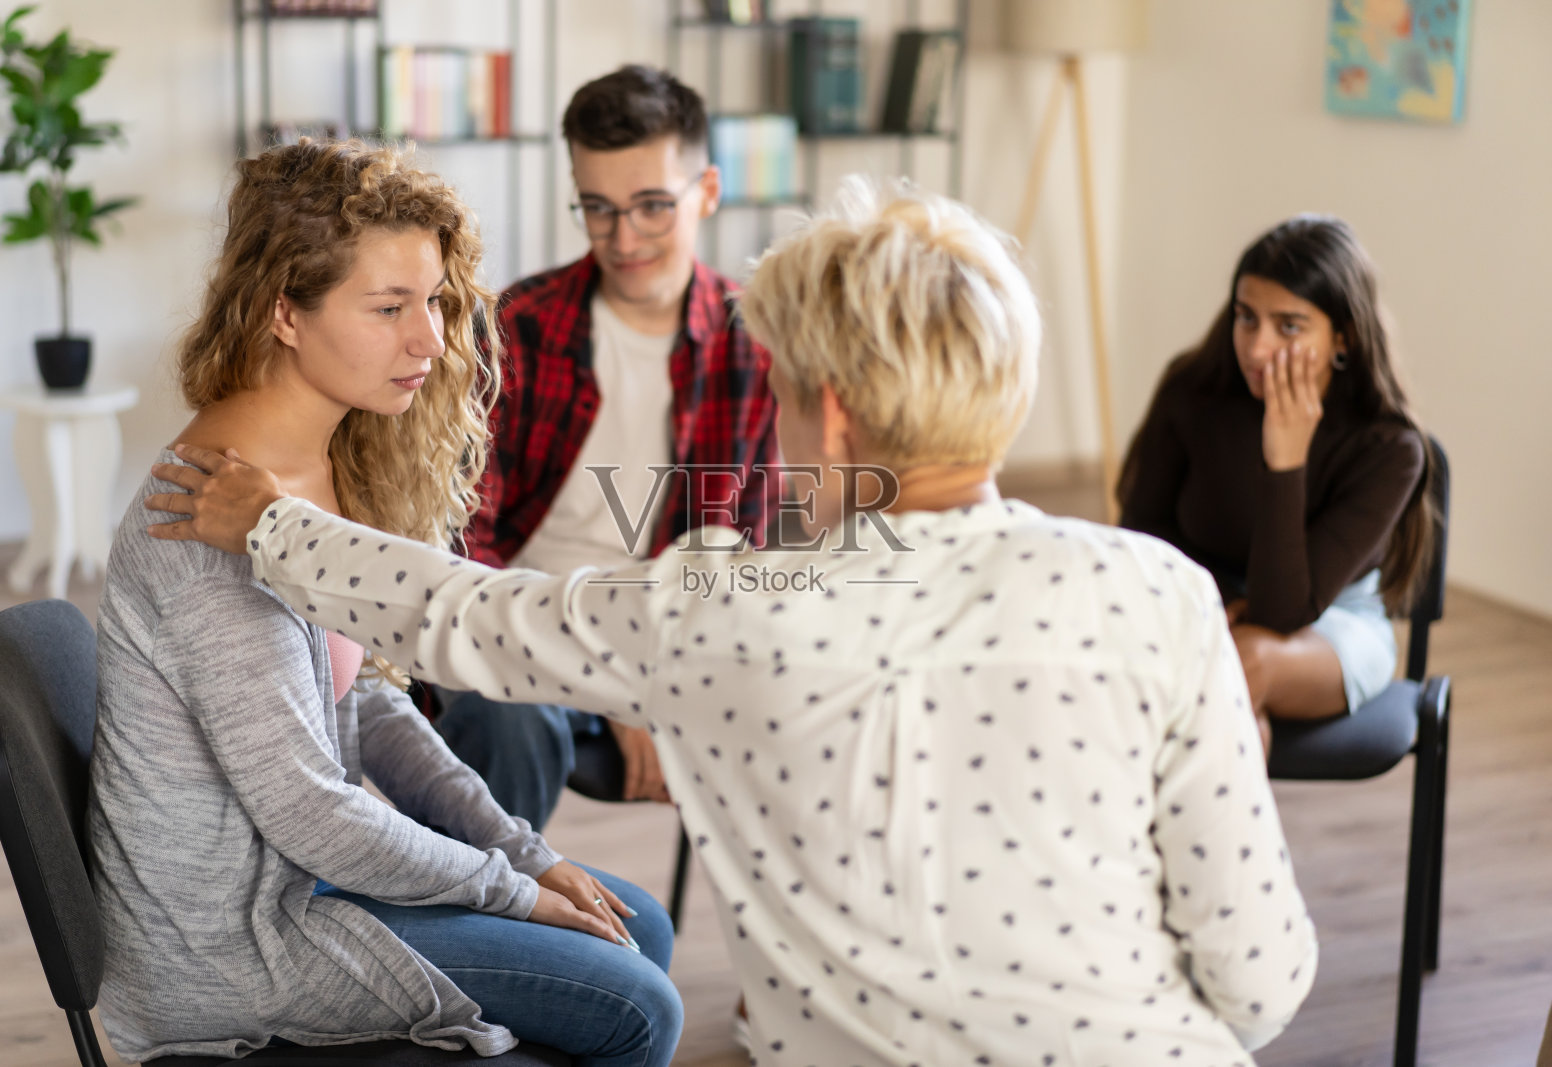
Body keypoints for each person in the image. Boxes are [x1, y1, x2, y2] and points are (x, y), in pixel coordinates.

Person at [147, 178, 1319, 1066]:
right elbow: (1265, 982)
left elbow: (465, 617)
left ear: (835, 413)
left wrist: (268, 524)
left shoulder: (720, 607)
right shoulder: (1157, 589)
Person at [88, 139, 681, 1066]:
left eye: (436, 300)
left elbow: (363, 694)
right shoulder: (207, 525)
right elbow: (315, 814)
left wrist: (519, 848)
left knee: (638, 923)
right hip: (242, 942)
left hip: (305, 881)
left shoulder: (312, 474)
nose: (432, 341)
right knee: (639, 1006)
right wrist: (514, 888)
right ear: (285, 311)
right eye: (390, 307)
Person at [433, 63, 781, 833]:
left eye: (653, 206)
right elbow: (465, 541)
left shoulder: (752, 344)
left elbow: (741, 561)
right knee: (505, 720)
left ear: (709, 191)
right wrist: (605, 678)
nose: (625, 238)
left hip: (668, 646)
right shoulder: (520, 325)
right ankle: (493, 922)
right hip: (518, 635)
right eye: (599, 208)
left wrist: (649, 680)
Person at [1117, 214, 1436, 753]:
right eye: (1246, 318)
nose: (1258, 348)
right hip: (1202, 604)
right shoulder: (1191, 391)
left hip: (1333, 624)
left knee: (1241, 664)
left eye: (1288, 326)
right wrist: (1214, 600)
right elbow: (1143, 536)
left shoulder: (1390, 448)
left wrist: (1284, 460)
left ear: (1344, 337)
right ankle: (1225, 837)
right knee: (1226, 700)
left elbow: (1283, 611)